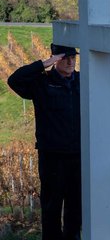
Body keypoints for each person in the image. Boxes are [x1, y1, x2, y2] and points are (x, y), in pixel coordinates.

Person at [8, 44, 81, 240]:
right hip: (52, 156)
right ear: (56, 59)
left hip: (78, 155)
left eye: (73, 57)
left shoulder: (82, 81)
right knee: (51, 207)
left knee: (76, 206)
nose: (70, 61)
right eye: (65, 57)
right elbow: (14, 80)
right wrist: (44, 64)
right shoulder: (42, 82)